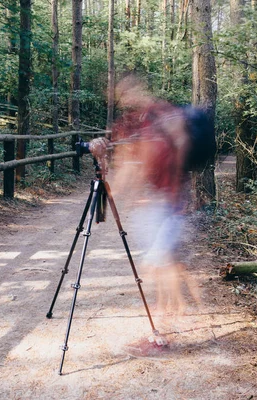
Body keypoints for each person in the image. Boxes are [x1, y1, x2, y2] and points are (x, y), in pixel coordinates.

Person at [89, 75, 207, 328]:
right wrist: (106, 175)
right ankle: (175, 310)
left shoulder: (165, 114)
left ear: (142, 88)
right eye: (123, 93)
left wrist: (171, 184)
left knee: (156, 264)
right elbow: (125, 168)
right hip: (150, 204)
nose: (129, 96)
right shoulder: (127, 124)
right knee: (164, 263)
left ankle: (164, 326)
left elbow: (180, 146)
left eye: (132, 89)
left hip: (169, 202)